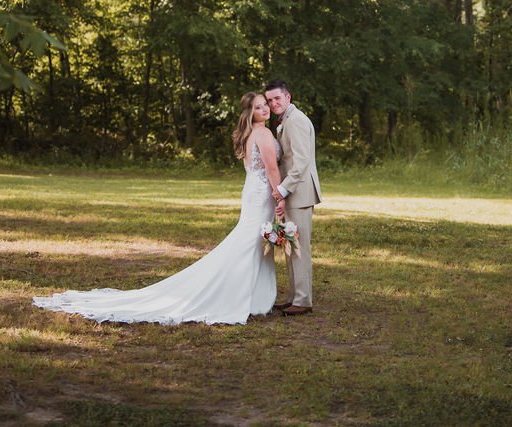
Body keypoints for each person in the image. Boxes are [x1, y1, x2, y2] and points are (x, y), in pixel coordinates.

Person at [33, 92, 281, 325]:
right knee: (249, 245)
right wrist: (280, 195)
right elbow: (271, 169)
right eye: (258, 107)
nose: (264, 109)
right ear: (249, 113)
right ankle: (234, 296)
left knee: (253, 242)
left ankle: (254, 297)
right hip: (260, 195)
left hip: (252, 191)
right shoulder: (264, 134)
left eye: (265, 104)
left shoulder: (250, 133)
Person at [264, 79, 322, 316]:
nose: (273, 103)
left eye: (277, 98)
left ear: (288, 97)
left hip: (299, 193)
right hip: (293, 193)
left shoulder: (296, 120)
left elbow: (301, 162)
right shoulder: (285, 121)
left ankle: (303, 300)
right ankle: (294, 296)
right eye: (269, 100)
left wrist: (283, 189)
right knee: (290, 245)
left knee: (299, 248)